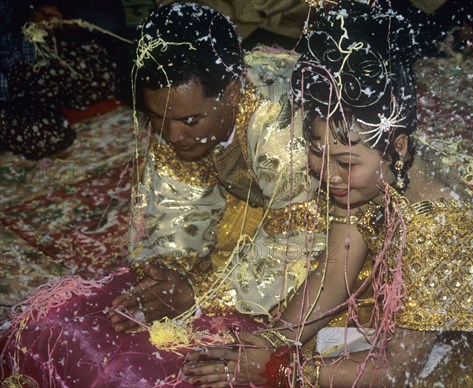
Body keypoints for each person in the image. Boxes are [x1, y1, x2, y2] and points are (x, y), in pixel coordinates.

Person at [182, 2, 473, 387]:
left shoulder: (440, 223)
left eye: (345, 163)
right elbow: (333, 273)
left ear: (396, 147)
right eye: (315, 151)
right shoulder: (375, 168)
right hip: (453, 316)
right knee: (319, 342)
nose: (329, 176)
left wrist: (278, 369)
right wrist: (272, 341)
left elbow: (397, 369)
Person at [1, 3, 326, 386]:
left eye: (189, 120)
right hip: (264, 198)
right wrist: (169, 273)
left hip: (319, 211)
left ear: (234, 92)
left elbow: (301, 240)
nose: (172, 137)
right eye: (158, 118)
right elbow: (171, 203)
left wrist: (198, 292)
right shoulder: (180, 115)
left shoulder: (279, 130)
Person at [0, 0, 117, 160]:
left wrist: (33, 12)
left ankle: (45, 104)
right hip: (5, 96)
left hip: (24, 63)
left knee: (102, 72)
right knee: (46, 135)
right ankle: (33, 114)